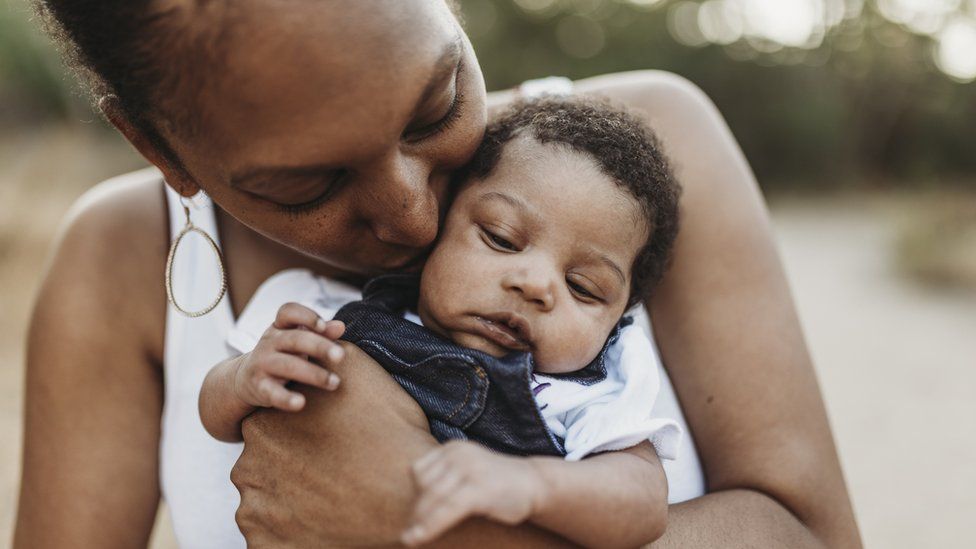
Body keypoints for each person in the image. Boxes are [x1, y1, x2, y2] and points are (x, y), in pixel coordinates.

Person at [15, 1, 861, 548]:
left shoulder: (640, 164)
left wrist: (428, 524)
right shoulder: (118, 261)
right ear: (160, 149)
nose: (416, 217)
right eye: (311, 185)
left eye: (439, 104)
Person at [197, 98, 683, 547]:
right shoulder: (332, 316)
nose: (537, 285)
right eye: (501, 238)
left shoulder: (581, 397)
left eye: (584, 287)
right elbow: (218, 414)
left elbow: (642, 501)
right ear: (441, 225)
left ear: (620, 318)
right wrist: (244, 379)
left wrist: (536, 486)